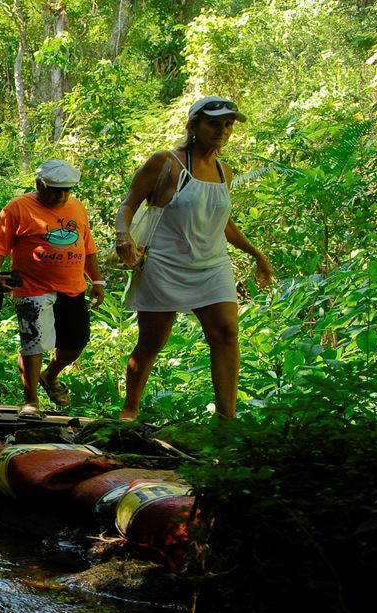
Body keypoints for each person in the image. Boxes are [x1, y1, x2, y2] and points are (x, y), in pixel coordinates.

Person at [113, 96, 274, 421]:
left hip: (211, 264)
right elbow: (128, 205)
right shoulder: (166, 163)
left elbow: (224, 223)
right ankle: (129, 411)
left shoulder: (223, 171)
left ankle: (226, 422)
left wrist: (256, 253)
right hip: (165, 264)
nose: (223, 131)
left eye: (227, 125)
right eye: (214, 124)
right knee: (151, 344)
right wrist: (123, 235)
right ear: (193, 126)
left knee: (227, 333)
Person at [0, 159, 106, 419]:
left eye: (66, 190)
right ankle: (31, 402)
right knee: (34, 343)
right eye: (54, 189)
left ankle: (49, 375)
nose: (60, 196)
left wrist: (97, 281)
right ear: (40, 184)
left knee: (76, 342)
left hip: (72, 287)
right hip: (32, 287)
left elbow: (87, 247)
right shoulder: (18, 208)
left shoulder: (76, 207)